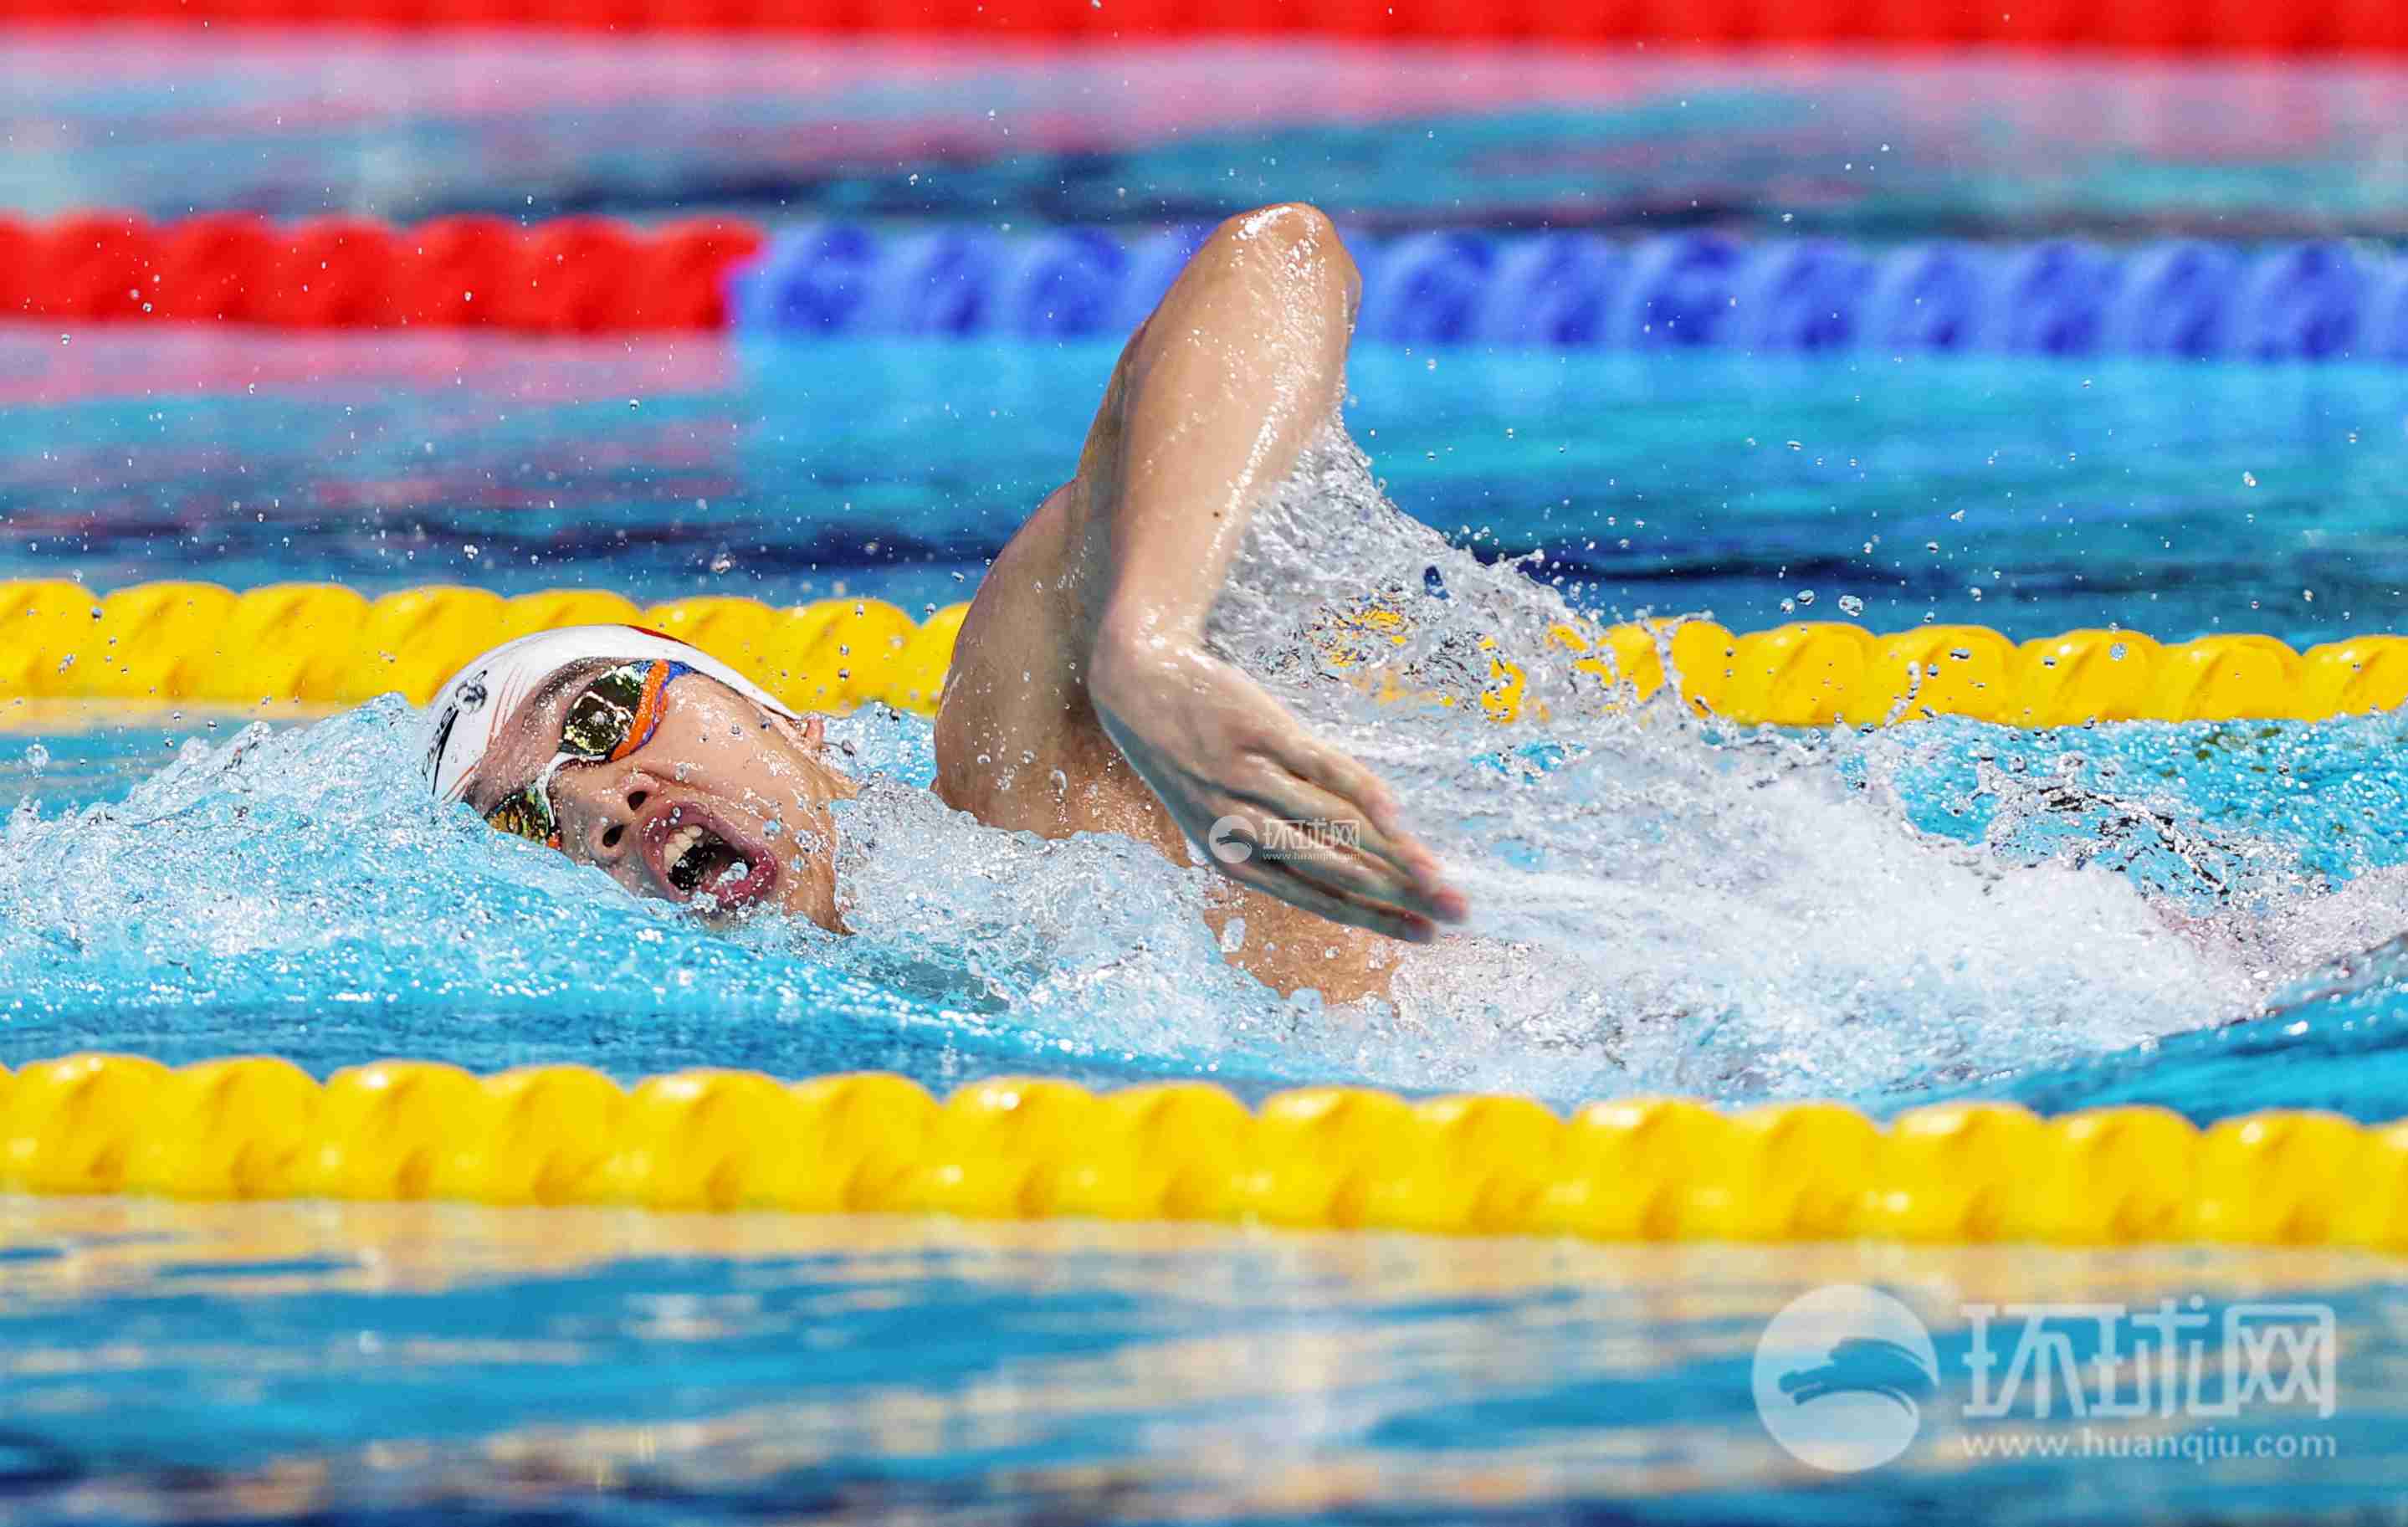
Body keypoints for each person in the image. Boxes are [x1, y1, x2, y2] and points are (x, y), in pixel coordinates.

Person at [423, 202, 1468, 1002]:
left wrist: (1144, 649)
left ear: (792, 725)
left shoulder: (1019, 786)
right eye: (527, 824)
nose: (600, 807)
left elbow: (1276, 256)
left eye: (601, 716)